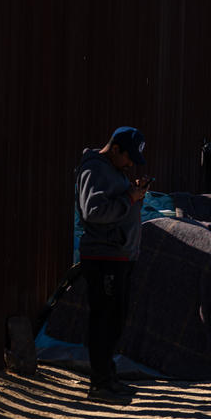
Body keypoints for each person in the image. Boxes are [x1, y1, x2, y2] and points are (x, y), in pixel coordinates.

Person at [75, 126, 152, 403]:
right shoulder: (94, 170)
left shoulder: (113, 170)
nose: (130, 164)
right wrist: (129, 198)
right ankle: (100, 383)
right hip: (104, 257)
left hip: (118, 256)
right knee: (105, 320)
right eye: (128, 157)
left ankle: (108, 376)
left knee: (114, 319)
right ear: (115, 148)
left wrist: (133, 193)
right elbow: (94, 211)